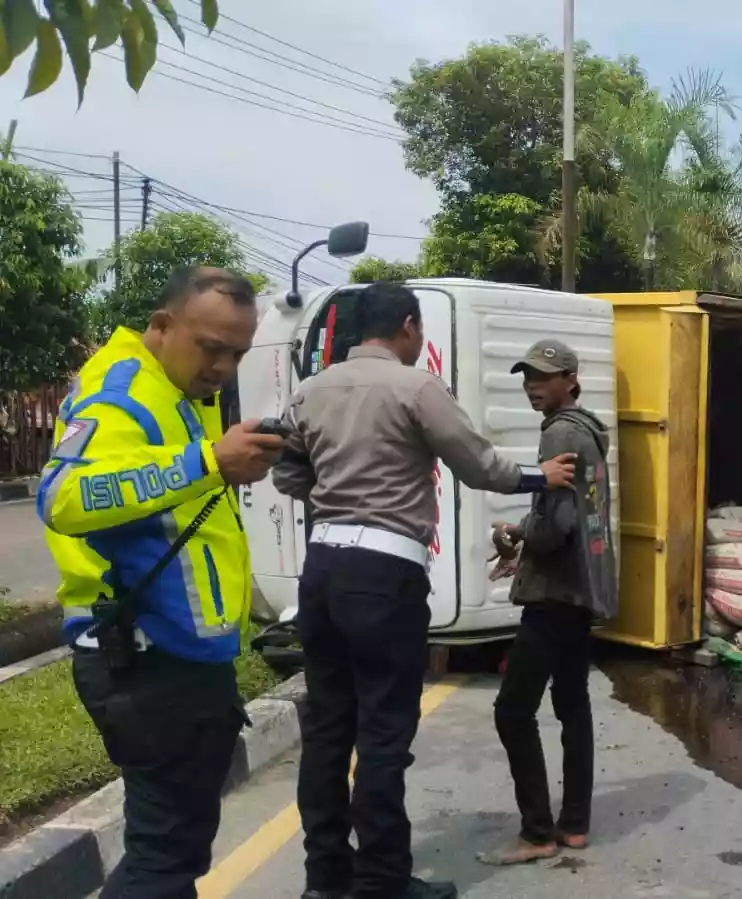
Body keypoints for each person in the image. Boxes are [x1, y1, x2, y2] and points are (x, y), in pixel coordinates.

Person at [271, 284, 577, 899]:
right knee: (383, 734)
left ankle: (325, 880)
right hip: (385, 576)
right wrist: (537, 477)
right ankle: (383, 882)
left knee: (329, 731)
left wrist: (340, 497)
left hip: (324, 571)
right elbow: (477, 465)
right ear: (408, 327)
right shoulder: (416, 387)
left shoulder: (310, 391)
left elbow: (286, 472)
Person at [38, 267, 284, 899]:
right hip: (147, 660)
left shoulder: (174, 390)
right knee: (166, 853)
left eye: (237, 353)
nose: (224, 367)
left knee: (173, 847)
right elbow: (64, 497)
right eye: (211, 347)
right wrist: (208, 461)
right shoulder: (120, 394)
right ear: (161, 325)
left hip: (180, 655)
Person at [478, 339, 617, 867]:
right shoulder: (588, 431)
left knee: (513, 709)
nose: (533, 385)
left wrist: (520, 535)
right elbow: (575, 515)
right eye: (527, 376)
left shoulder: (559, 432)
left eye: (544, 376)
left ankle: (537, 831)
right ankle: (575, 824)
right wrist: (525, 533)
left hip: (555, 592)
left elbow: (556, 525)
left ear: (571, 380)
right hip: (581, 588)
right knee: (572, 703)